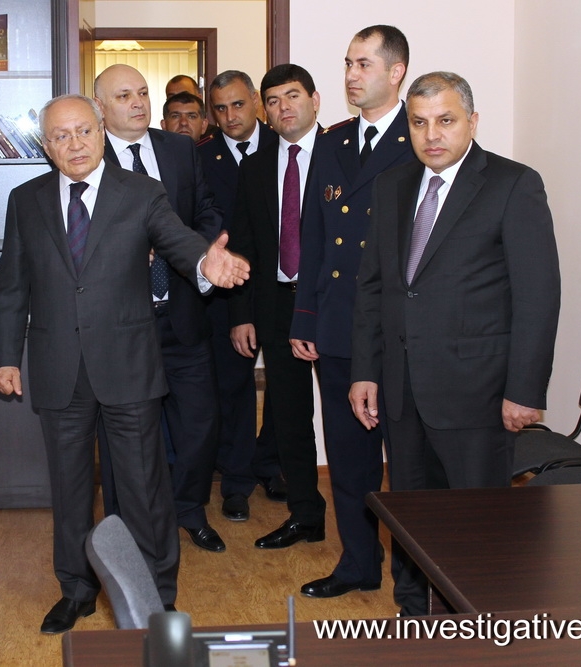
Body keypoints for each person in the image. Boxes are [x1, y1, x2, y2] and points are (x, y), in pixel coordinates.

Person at [0, 94, 249, 635]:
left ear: (101, 131)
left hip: (128, 364)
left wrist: (207, 261)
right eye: (61, 136)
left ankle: (155, 595)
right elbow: (11, 284)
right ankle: (76, 589)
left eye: (84, 131)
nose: (75, 144)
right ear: (46, 145)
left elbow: (178, 241)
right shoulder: (25, 199)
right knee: (70, 490)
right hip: (59, 366)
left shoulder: (142, 193)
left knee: (142, 487)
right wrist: (4, 357)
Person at [349, 71, 561, 616]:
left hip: (478, 393)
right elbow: (374, 287)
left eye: (445, 121)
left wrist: (525, 390)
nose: (432, 135)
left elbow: (538, 296)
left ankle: (474, 620)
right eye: (419, 123)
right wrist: (366, 370)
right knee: (411, 513)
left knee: (475, 523)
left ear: (472, 121)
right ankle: (413, 612)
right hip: (402, 388)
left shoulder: (513, 184)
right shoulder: (392, 185)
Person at [289, 25, 416, 599]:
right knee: (346, 456)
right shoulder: (334, 142)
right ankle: (358, 562)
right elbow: (314, 236)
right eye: (347, 63)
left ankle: (415, 578)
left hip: (399, 332)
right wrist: (305, 318)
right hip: (339, 326)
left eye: (363, 64)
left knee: (407, 464)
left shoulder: (420, 140)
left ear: (396, 72)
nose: (351, 75)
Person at [94, 63, 226, 554]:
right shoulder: (88, 154)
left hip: (182, 314)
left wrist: (190, 249)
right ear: (100, 107)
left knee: (199, 424)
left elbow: (207, 211)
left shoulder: (177, 148)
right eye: (123, 95)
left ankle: (189, 509)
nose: (138, 103)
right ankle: (126, 525)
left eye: (143, 92)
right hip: (123, 326)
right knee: (126, 434)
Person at [229, 64, 327, 550]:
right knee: (289, 417)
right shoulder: (255, 166)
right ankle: (305, 514)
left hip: (332, 307)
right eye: (272, 100)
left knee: (347, 417)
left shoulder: (343, 156)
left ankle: (363, 522)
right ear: (263, 110)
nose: (283, 107)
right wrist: (242, 313)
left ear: (315, 99)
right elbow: (244, 244)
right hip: (276, 308)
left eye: (292, 95)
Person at [199, 70, 286, 523]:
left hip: (280, 287)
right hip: (225, 293)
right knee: (233, 387)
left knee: (283, 387)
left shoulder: (285, 144)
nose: (230, 116)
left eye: (237, 104)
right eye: (220, 108)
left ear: (254, 100)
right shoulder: (200, 156)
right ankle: (236, 481)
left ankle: (270, 465)